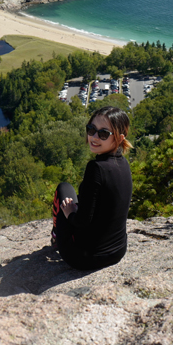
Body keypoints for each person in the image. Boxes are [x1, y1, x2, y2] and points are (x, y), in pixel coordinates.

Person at [51, 105, 133, 270]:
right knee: (74, 197)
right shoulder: (124, 164)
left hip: (85, 258)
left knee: (64, 190)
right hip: (117, 252)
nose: (94, 137)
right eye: (91, 130)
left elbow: (81, 221)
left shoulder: (96, 168)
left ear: (119, 138)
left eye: (103, 134)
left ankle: (55, 237)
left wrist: (70, 213)